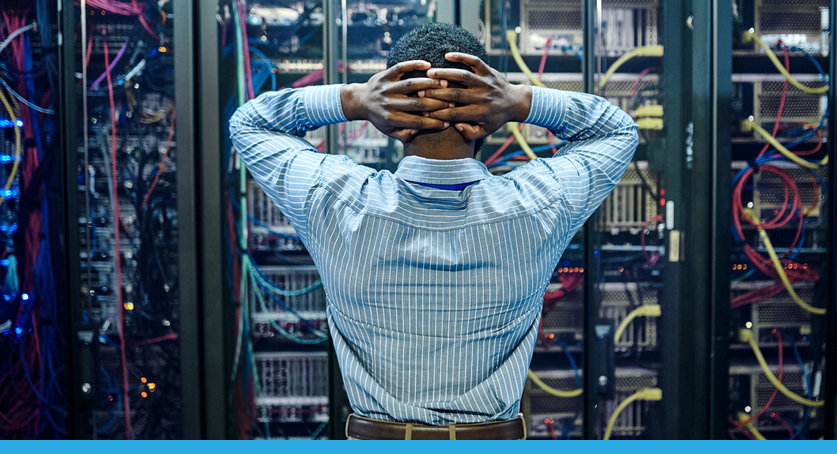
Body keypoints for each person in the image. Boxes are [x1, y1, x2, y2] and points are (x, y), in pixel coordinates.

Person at [230, 22, 638, 440]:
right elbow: (618, 130)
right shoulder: (536, 205)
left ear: (392, 116)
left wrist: (355, 100)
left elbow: (249, 124)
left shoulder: (336, 199)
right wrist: (518, 101)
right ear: (483, 117)